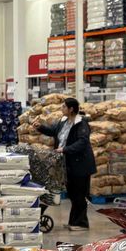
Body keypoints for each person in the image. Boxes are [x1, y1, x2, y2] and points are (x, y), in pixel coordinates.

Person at [35, 97, 96, 230]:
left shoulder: (81, 123)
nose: (61, 109)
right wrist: (40, 127)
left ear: (71, 109)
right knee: (73, 194)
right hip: (68, 164)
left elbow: (82, 142)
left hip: (81, 165)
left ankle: (81, 223)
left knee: (80, 194)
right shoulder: (63, 121)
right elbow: (53, 132)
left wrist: (65, 149)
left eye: (63, 107)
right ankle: (74, 222)